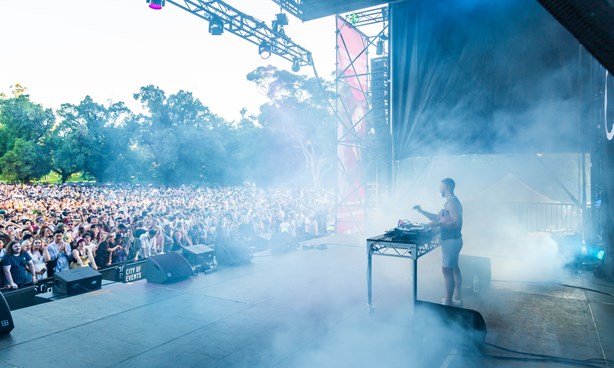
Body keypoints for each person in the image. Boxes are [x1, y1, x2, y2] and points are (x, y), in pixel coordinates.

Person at [414, 178, 463, 306]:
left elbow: (457, 223)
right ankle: (457, 297)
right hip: (453, 240)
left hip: (451, 241)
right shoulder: (448, 203)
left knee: (447, 271)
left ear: (446, 187)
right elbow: (437, 217)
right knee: (454, 268)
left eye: (440, 187)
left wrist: (437, 224)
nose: (439, 189)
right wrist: (422, 211)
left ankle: (448, 301)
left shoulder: (453, 203)